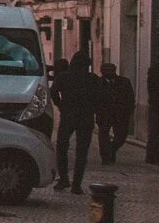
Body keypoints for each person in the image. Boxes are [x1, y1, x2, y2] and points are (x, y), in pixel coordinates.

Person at [50, 51, 100, 193]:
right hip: (86, 117)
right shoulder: (93, 79)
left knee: (62, 147)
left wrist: (60, 105)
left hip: (68, 116)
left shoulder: (63, 77)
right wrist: (93, 109)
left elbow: (53, 91)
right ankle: (77, 184)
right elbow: (100, 98)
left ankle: (64, 178)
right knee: (82, 152)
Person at [94, 61, 135, 166]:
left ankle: (111, 150)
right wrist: (96, 111)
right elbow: (93, 99)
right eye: (105, 70)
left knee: (121, 136)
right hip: (104, 114)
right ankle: (105, 157)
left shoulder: (124, 82)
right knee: (103, 136)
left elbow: (130, 98)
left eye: (110, 70)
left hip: (121, 114)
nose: (108, 72)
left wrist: (128, 111)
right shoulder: (97, 83)